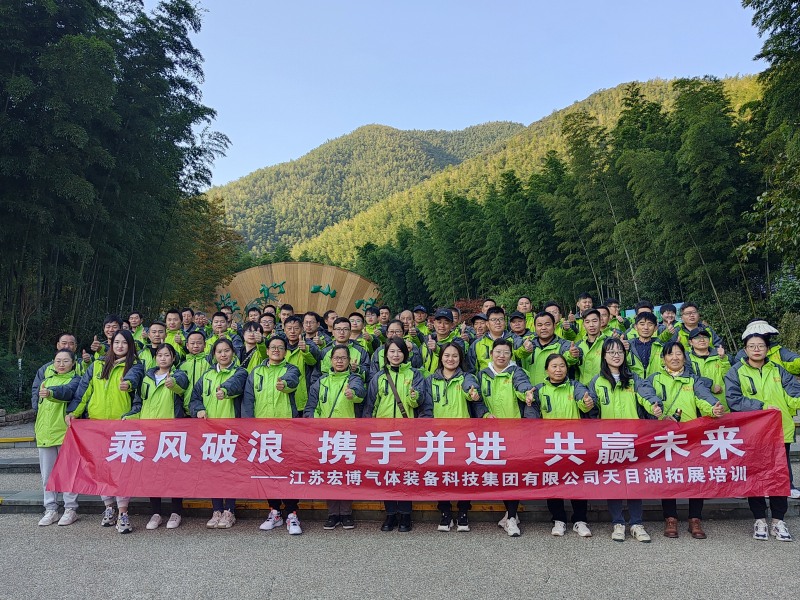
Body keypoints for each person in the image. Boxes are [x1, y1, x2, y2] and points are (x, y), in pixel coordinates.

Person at [67, 329, 144, 534]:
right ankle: (109, 507)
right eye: (116, 342)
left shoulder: (136, 366)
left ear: (130, 346)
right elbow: (84, 392)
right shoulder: (97, 365)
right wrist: (74, 412)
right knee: (101, 469)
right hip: (97, 425)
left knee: (121, 470)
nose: (120, 346)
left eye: (124, 343)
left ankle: (124, 512)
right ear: (111, 344)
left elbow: (136, 386)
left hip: (122, 426)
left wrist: (128, 386)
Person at [726, 332, 800, 541]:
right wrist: (763, 407)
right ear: (745, 350)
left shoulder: (779, 370)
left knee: (779, 476)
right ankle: (759, 519)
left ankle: (778, 520)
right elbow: (734, 400)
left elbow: (794, 395)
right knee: (755, 475)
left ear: (767, 349)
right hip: (752, 432)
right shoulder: (735, 371)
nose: (756, 349)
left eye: (760, 345)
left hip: (779, 430)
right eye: (752, 346)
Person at [585, 338, 660, 543]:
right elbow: (591, 408)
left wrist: (654, 405)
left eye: (619, 351)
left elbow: (646, 396)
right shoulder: (597, 381)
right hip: (608, 439)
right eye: (611, 352)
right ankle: (617, 523)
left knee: (633, 480)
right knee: (614, 480)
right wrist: (586, 404)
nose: (616, 355)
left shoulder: (634, 379)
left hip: (633, 437)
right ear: (604, 356)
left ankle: (636, 523)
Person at [648, 341, 725, 539]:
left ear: (684, 356)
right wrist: (657, 412)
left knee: (695, 475)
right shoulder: (654, 379)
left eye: (678, 353)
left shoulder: (693, 380)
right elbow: (647, 399)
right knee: (668, 476)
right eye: (670, 354)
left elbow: (704, 398)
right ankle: (670, 519)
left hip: (691, 436)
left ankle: (695, 519)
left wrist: (713, 408)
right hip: (665, 436)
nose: (674, 357)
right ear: (663, 358)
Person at [363, 337, 432, 532]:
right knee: (387, 474)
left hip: (406, 433)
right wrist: (368, 430)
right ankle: (391, 514)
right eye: (392, 351)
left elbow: (419, 403)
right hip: (383, 434)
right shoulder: (379, 377)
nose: (396, 355)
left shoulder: (415, 374)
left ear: (406, 353)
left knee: (405, 473)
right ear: (386, 354)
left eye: (399, 351)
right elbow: (371, 406)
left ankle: (406, 514)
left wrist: (414, 397)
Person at [242, 336, 304, 535]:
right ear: (267, 351)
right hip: (262, 430)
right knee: (268, 472)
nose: (276, 350)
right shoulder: (256, 372)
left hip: (286, 430)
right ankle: (275, 511)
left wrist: (284, 384)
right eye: (273, 347)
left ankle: (292, 513)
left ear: (285, 351)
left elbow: (292, 381)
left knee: (287, 471)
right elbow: (248, 400)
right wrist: (249, 427)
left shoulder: (291, 369)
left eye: (280, 347)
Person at [526, 354, 593, 538]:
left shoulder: (575, 386)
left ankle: (580, 520)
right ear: (546, 369)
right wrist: (530, 402)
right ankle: (558, 519)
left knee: (577, 481)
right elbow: (531, 417)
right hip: (550, 444)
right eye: (554, 366)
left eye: (562, 366)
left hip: (573, 443)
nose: (558, 370)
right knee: (553, 481)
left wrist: (586, 402)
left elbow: (584, 402)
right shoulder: (538, 390)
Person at [304, 345, 366, 530]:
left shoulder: (354, 379)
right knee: (330, 475)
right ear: (330, 360)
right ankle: (332, 513)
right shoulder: (321, 382)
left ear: (349, 361)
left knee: (346, 474)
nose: (339, 361)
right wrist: (319, 423)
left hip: (348, 436)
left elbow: (360, 393)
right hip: (326, 436)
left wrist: (352, 394)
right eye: (336, 358)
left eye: (343, 358)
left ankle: (346, 513)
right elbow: (310, 408)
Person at [428, 342, 488, 532]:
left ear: (460, 358)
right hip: (438, 436)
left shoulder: (467, 377)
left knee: (463, 474)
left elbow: (471, 389)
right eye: (447, 355)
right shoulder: (430, 380)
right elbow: (426, 408)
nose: (450, 359)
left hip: (463, 435)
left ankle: (463, 511)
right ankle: (445, 512)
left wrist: (473, 393)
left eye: (455, 356)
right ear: (441, 358)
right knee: (441, 475)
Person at [477, 339, 534, 537]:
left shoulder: (517, 372)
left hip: (514, 432)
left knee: (512, 474)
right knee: (500, 474)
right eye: (498, 352)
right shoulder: (482, 375)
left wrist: (526, 394)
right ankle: (511, 514)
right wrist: (485, 414)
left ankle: (510, 517)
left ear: (511, 355)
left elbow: (522, 386)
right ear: (491, 354)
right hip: (491, 434)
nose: (502, 356)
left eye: (506, 352)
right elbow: (477, 402)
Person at [189, 338, 248, 529]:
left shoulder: (240, 372)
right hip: (210, 432)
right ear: (214, 354)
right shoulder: (207, 375)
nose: (223, 354)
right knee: (213, 471)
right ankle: (216, 510)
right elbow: (194, 398)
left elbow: (235, 384)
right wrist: (198, 409)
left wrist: (225, 390)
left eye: (227, 350)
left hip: (231, 431)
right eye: (219, 351)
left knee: (230, 471)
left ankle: (229, 510)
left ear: (233, 353)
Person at [136, 344, 190, 531]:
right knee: (153, 473)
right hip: (149, 432)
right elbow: (139, 403)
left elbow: (182, 386)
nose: (163, 358)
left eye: (167, 355)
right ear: (155, 358)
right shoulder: (146, 378)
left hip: (171, 433)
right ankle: (156, 513)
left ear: (173, 358)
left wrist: (173, 383)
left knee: (174, 472)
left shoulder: (179, 374)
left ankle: (176, 512)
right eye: (160, 355)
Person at [34, 349, 82, 527]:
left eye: (65, 361)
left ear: (73, 363)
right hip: (45, 433)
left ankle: (70, 509)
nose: (61, 364)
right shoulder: (45, 381)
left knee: (68, 473)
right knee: (47, 475)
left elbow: (67, 392)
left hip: (64, 433)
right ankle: (50, 509)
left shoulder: (76, 380)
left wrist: (51, 393)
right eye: (58, 361)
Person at [517, 311, 581, 386]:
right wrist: (524, 350)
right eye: (539, 325)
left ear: (554, 325)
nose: (543, 328)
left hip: (556, 391)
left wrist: (573, 355)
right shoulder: (527, 343)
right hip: (530, 391)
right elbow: (516, 355)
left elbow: (569, 358)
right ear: (535, 327)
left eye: (547, 324)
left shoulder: (564, 345)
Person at [282, 315, 321, 413]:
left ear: (302, 329)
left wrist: (305, 350)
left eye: (296, 328)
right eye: (289, 328)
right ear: (284, 330)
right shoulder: (280, 346)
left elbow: (313, 362)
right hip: (282, 393)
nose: (292, 331)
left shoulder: (310, 345)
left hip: (304, 394)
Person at [687, 326, 729, 409]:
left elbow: (729, 377)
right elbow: (689, 378)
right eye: (697, 337)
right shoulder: (687, 359)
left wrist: (724, 359)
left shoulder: (720, 356)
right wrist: (711, 385)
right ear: (690, 342)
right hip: (700, 404)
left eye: (705, 337)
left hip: (724, 403)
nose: (702, 340)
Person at [466, 306, 517, 374]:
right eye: (493, 319)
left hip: (510, 379)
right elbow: (470, 370)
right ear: (487, 323)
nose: (498, 322)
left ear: (505, 322)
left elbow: (522, 352)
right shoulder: (477, 344)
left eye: (501, 319)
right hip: (485, 380)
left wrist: (526, 346)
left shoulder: (514, 339)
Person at [422, 309, 466, 374]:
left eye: (446, 323)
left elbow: (458, 360)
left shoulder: (457, 342)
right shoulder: (427, 341)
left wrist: (437, 349)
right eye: (439, 322)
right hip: (426, 379)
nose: (442, 326)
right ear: (434, 323)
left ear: (452, 325)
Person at [180, 330, 212, 415]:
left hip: (206, 410)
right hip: (185, 411)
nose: (195, 346)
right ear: (187, 345)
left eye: (199, 343)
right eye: (192, 343)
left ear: (205, 345)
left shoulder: (211, 362)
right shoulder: (182, 365)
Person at [627, 312, 666, 378]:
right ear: (635, 327)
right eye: (642, 324)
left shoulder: (661, 347)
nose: (646, 328)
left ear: (655, 328)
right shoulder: (628, 346)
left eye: (650, 324)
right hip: (634, 383)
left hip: (655, 382)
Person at [575, 309, 608, 385]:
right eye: (587, 322)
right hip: (583, 388)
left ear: (600, 321)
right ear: (583, 325)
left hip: (603, 387)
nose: (591, 325)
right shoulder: (578, 345)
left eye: (594, 321)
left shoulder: (609, 343)